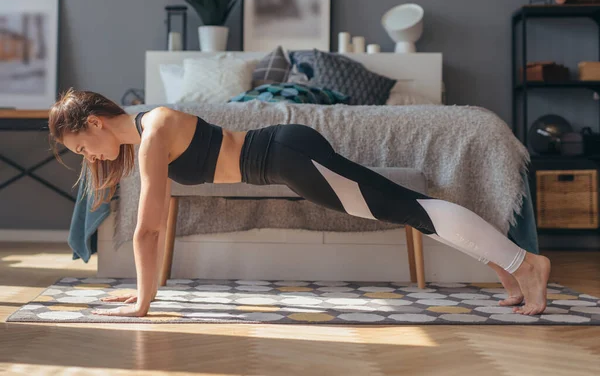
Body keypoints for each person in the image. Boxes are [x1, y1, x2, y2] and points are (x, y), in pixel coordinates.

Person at [48, 89, 551, 317]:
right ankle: (509, 270)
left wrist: (143, 300)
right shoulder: (143, 131)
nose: (88, 157)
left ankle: (526, 263)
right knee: (407, 208)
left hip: (287, 156)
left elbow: (148, 229)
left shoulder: (153, 130)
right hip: (287, 156)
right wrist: (143, 292)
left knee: (410, 208)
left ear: (93, 122)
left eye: (80, 147)